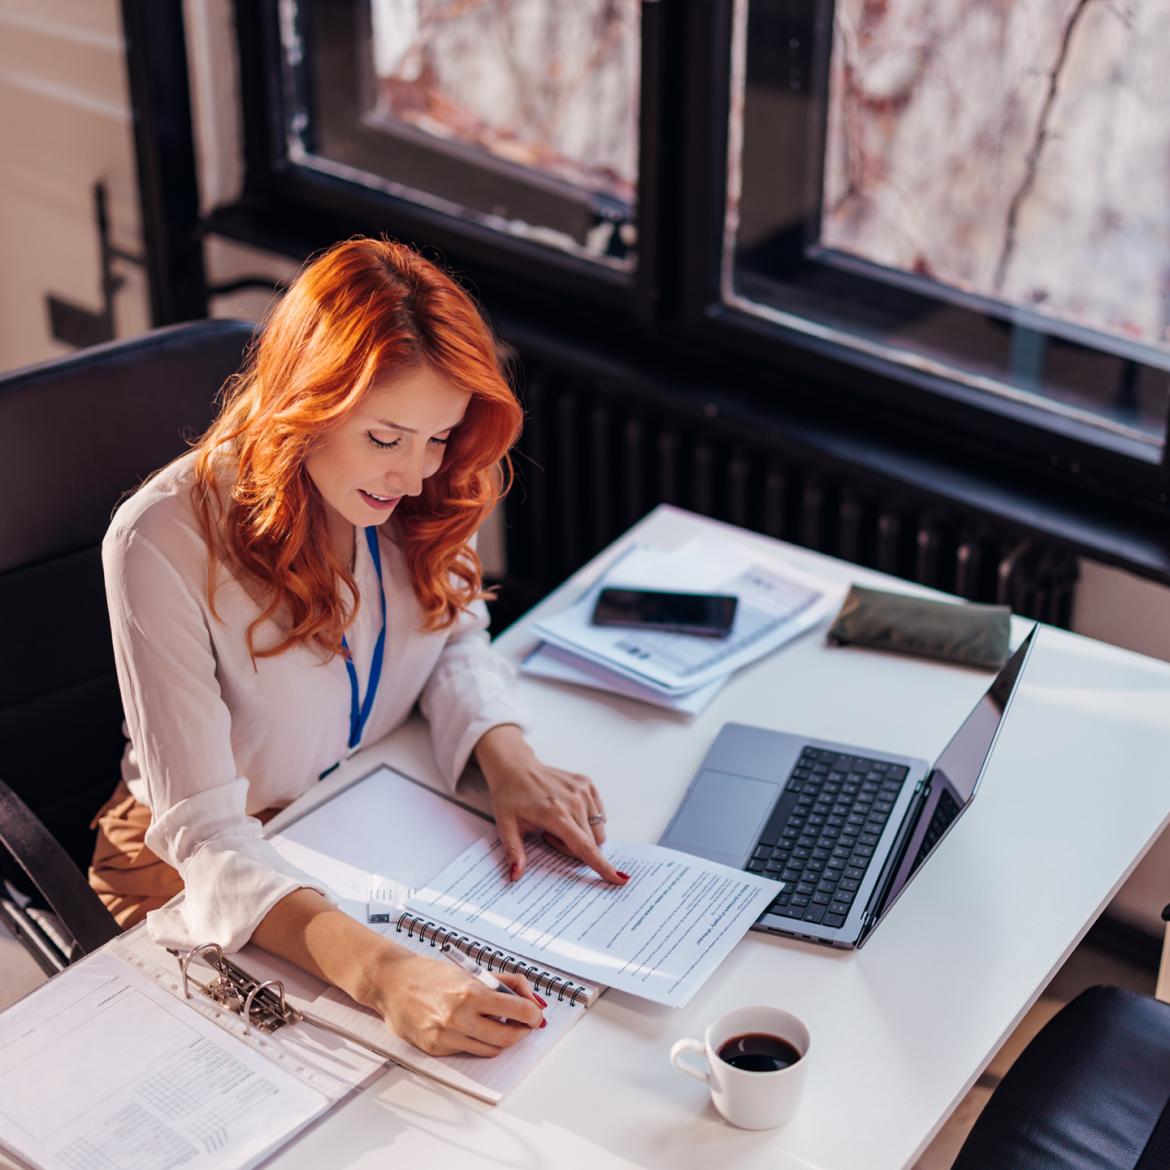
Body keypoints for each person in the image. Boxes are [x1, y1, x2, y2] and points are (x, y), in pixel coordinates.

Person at [88, 237, 628, 1059]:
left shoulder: (432, 481)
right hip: (210, 859)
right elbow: (204, 839)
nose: (416, 475)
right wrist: (383, 976)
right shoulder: (161, 540)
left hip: (366, 817)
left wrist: (503, 749)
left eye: (439, 437)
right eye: (385, 437)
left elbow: (449, 634)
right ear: (305, 402)